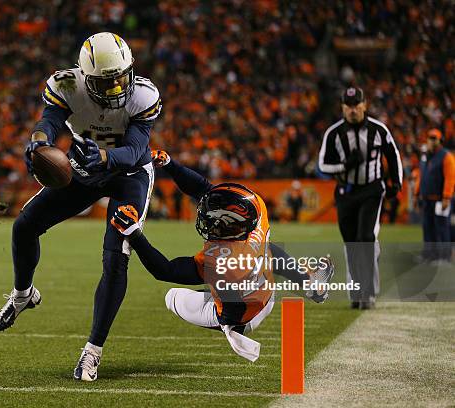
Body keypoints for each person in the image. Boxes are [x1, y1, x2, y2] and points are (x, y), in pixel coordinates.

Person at [0, 32, 162, 382]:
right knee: (24, 225)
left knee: (116, 258)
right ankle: (23, 295)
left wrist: (104, 156)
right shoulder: (67, 85)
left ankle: (92, 351)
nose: (115, 88)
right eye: (105, 82)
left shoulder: (144, 95)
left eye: (119, 78)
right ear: (85, 78)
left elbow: (137, 148)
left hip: (128, 174)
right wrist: (39, 141)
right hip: (83, 168)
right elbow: (49, 122)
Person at [109, 152, 335, 360]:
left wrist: (134, 234)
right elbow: (205, 189)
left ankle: (228, 326)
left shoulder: (222, 263)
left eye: (216, 224)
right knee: (268, 249)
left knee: (172, 296)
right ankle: (310, 285)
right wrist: (170, 164)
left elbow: (165, 270)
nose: (210, 224)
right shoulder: (257, 212)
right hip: (266, 293)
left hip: (240, 320)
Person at [318, 87, 403, 309]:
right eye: (349, 105)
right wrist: (345, 165)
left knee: (365, 237)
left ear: (364, 105)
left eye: (357, 105)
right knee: (351, 243)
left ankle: (368, 293)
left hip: (372, 189)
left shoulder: (378, 129)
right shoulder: (334, 133)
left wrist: (397, 182)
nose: (353, 109)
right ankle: (356, 293)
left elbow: (393, 154)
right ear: (343, 107)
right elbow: (322, 165)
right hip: (346, 191)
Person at [415, 129, 455, 263]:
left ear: (440, 141)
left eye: (435, 138)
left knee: (442, 228)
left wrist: (446, 197)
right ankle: (429, 254)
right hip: (427, 199)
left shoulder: (446, 156)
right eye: (430, 138)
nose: (432, 141)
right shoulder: (425, 156)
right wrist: (416, 194)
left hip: (440, 200)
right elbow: (421, 176)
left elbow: (450, 179)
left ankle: (444, 256)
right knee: (428, 228)